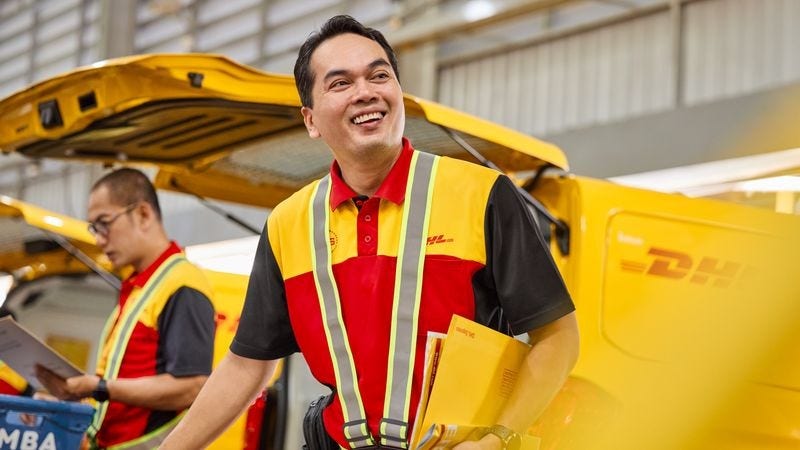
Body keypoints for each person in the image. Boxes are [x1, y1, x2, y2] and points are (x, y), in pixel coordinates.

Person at [161, 14, 579, 450]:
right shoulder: (289, 223)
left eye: (379, 75)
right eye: (340, 83)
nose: (366, 92)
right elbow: (247, 364)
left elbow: (558, 337)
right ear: (311, 120)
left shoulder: (481, 193)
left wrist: (498, 439)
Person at [35, 168, 216, 449]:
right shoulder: (140, 287)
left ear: (143, 214)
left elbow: (191, 386)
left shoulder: (182, 284)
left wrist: (98, 387)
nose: (98, 239)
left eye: (104, 223)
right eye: (94, 228)